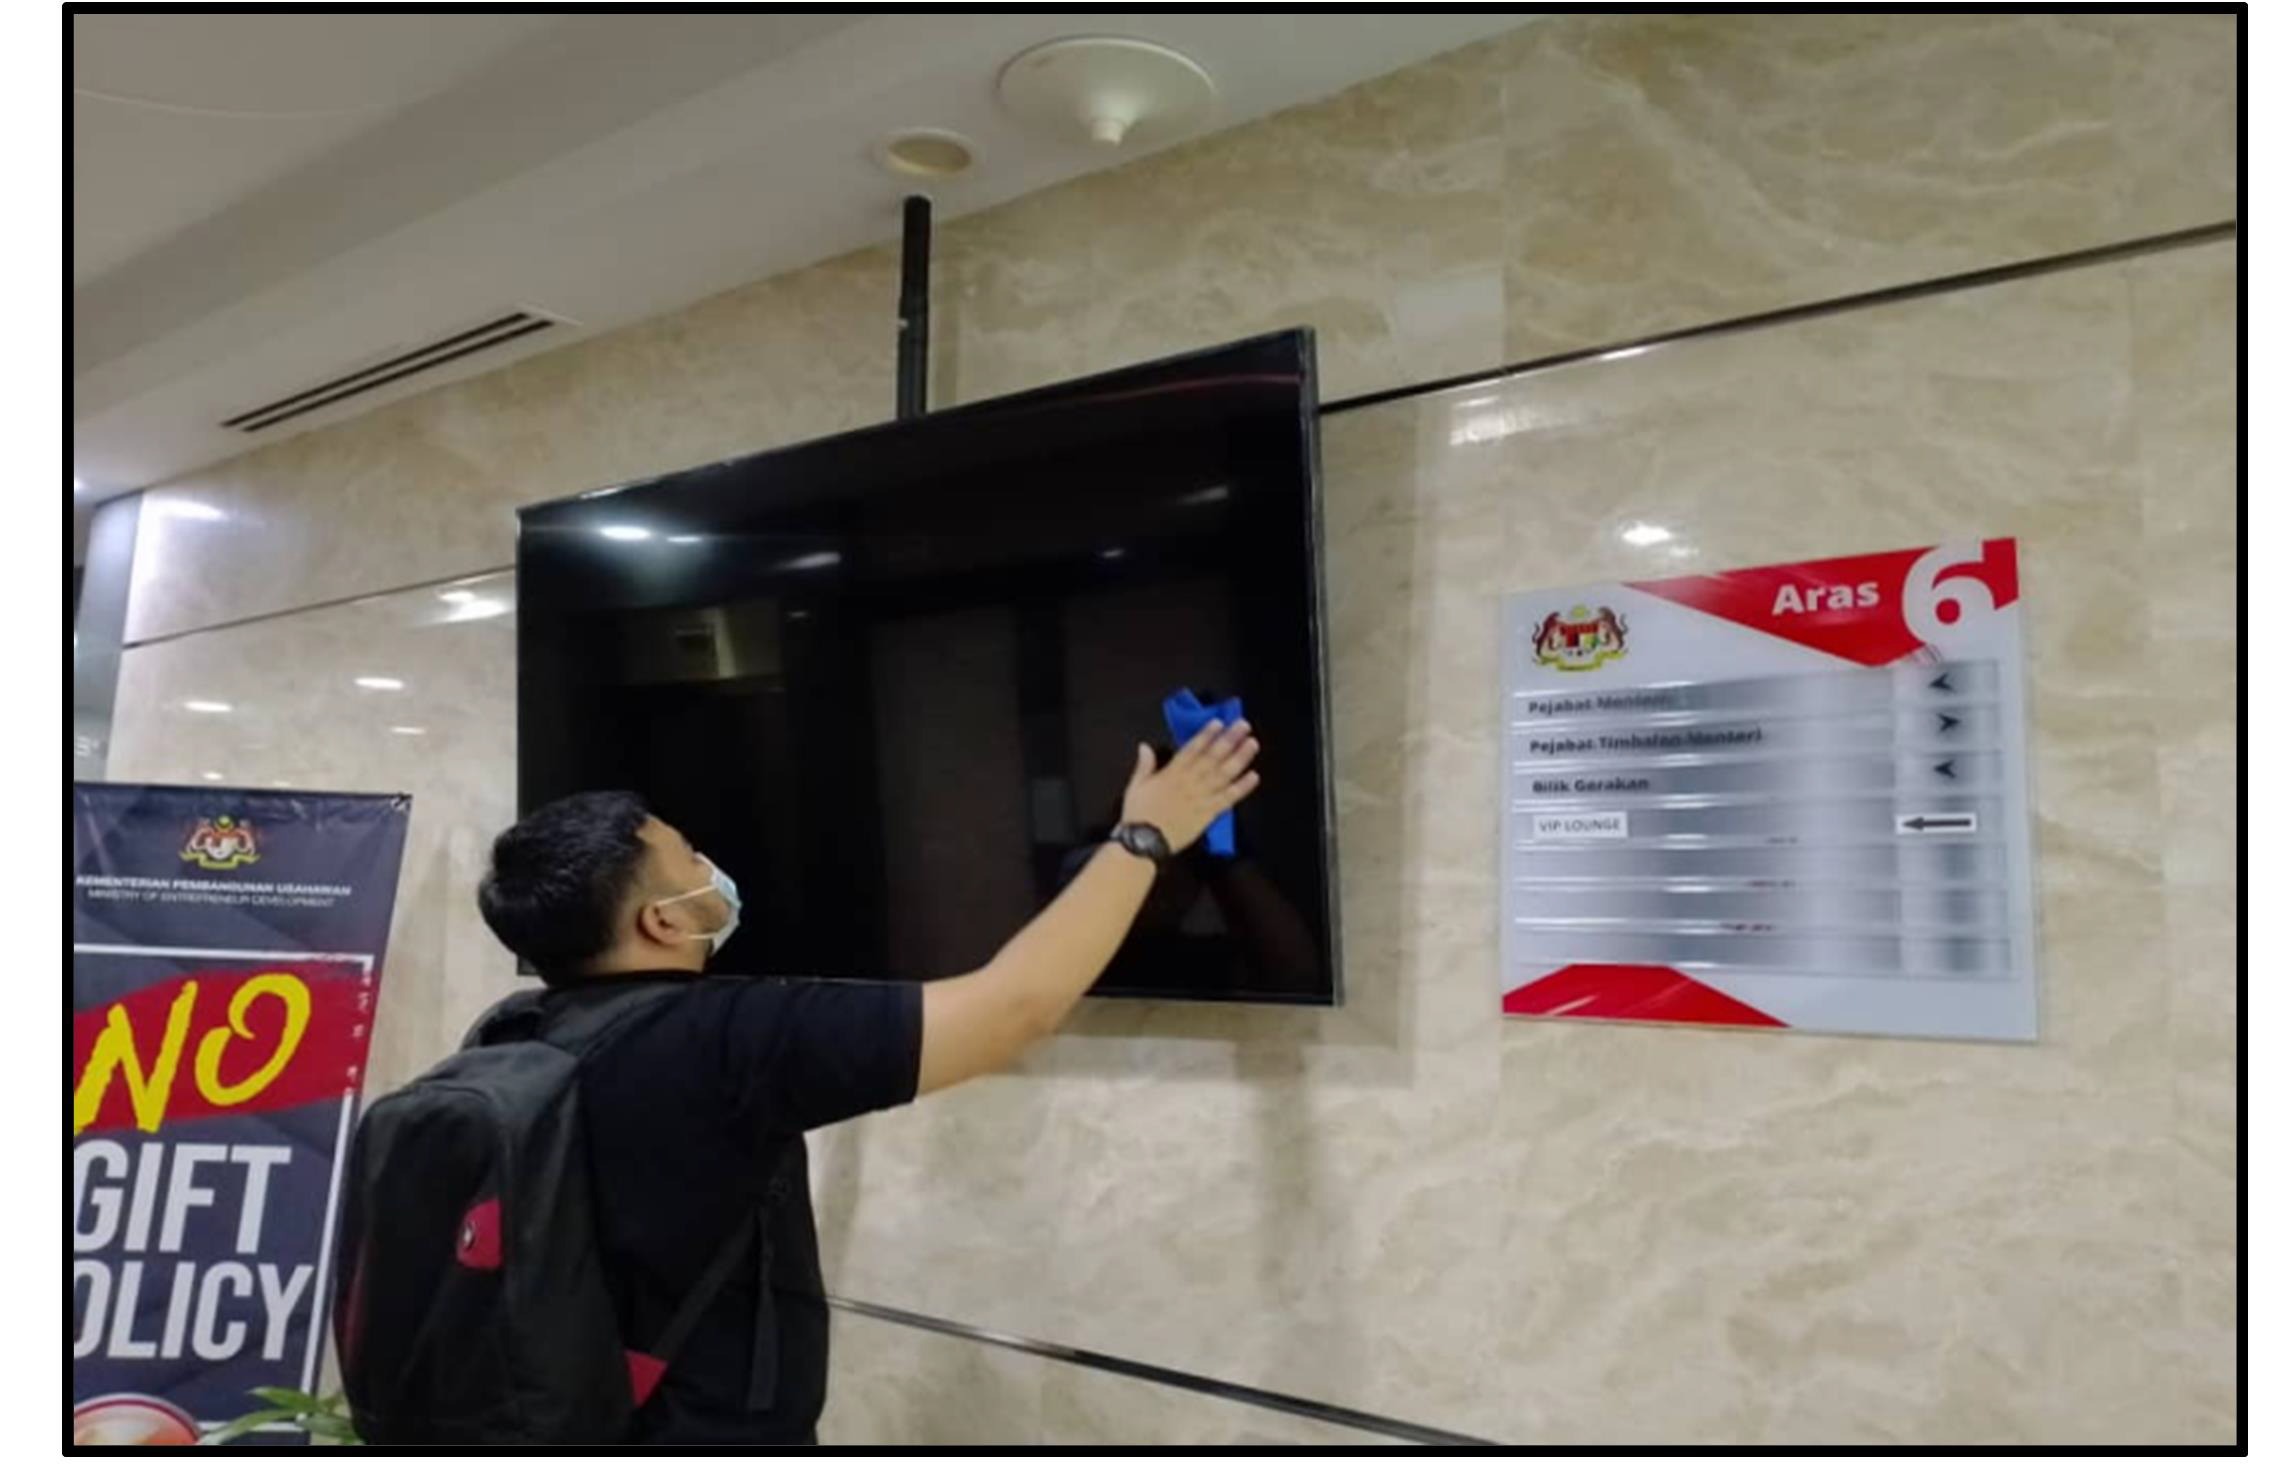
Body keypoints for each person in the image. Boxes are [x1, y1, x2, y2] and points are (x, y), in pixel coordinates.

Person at [473, 718, 1261, 1445]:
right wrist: (1143, 837)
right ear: (663, 921)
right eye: (688, 857)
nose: (710, 867)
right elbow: (1013, 1007)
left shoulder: (510, 1033)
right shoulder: (730, 1037)